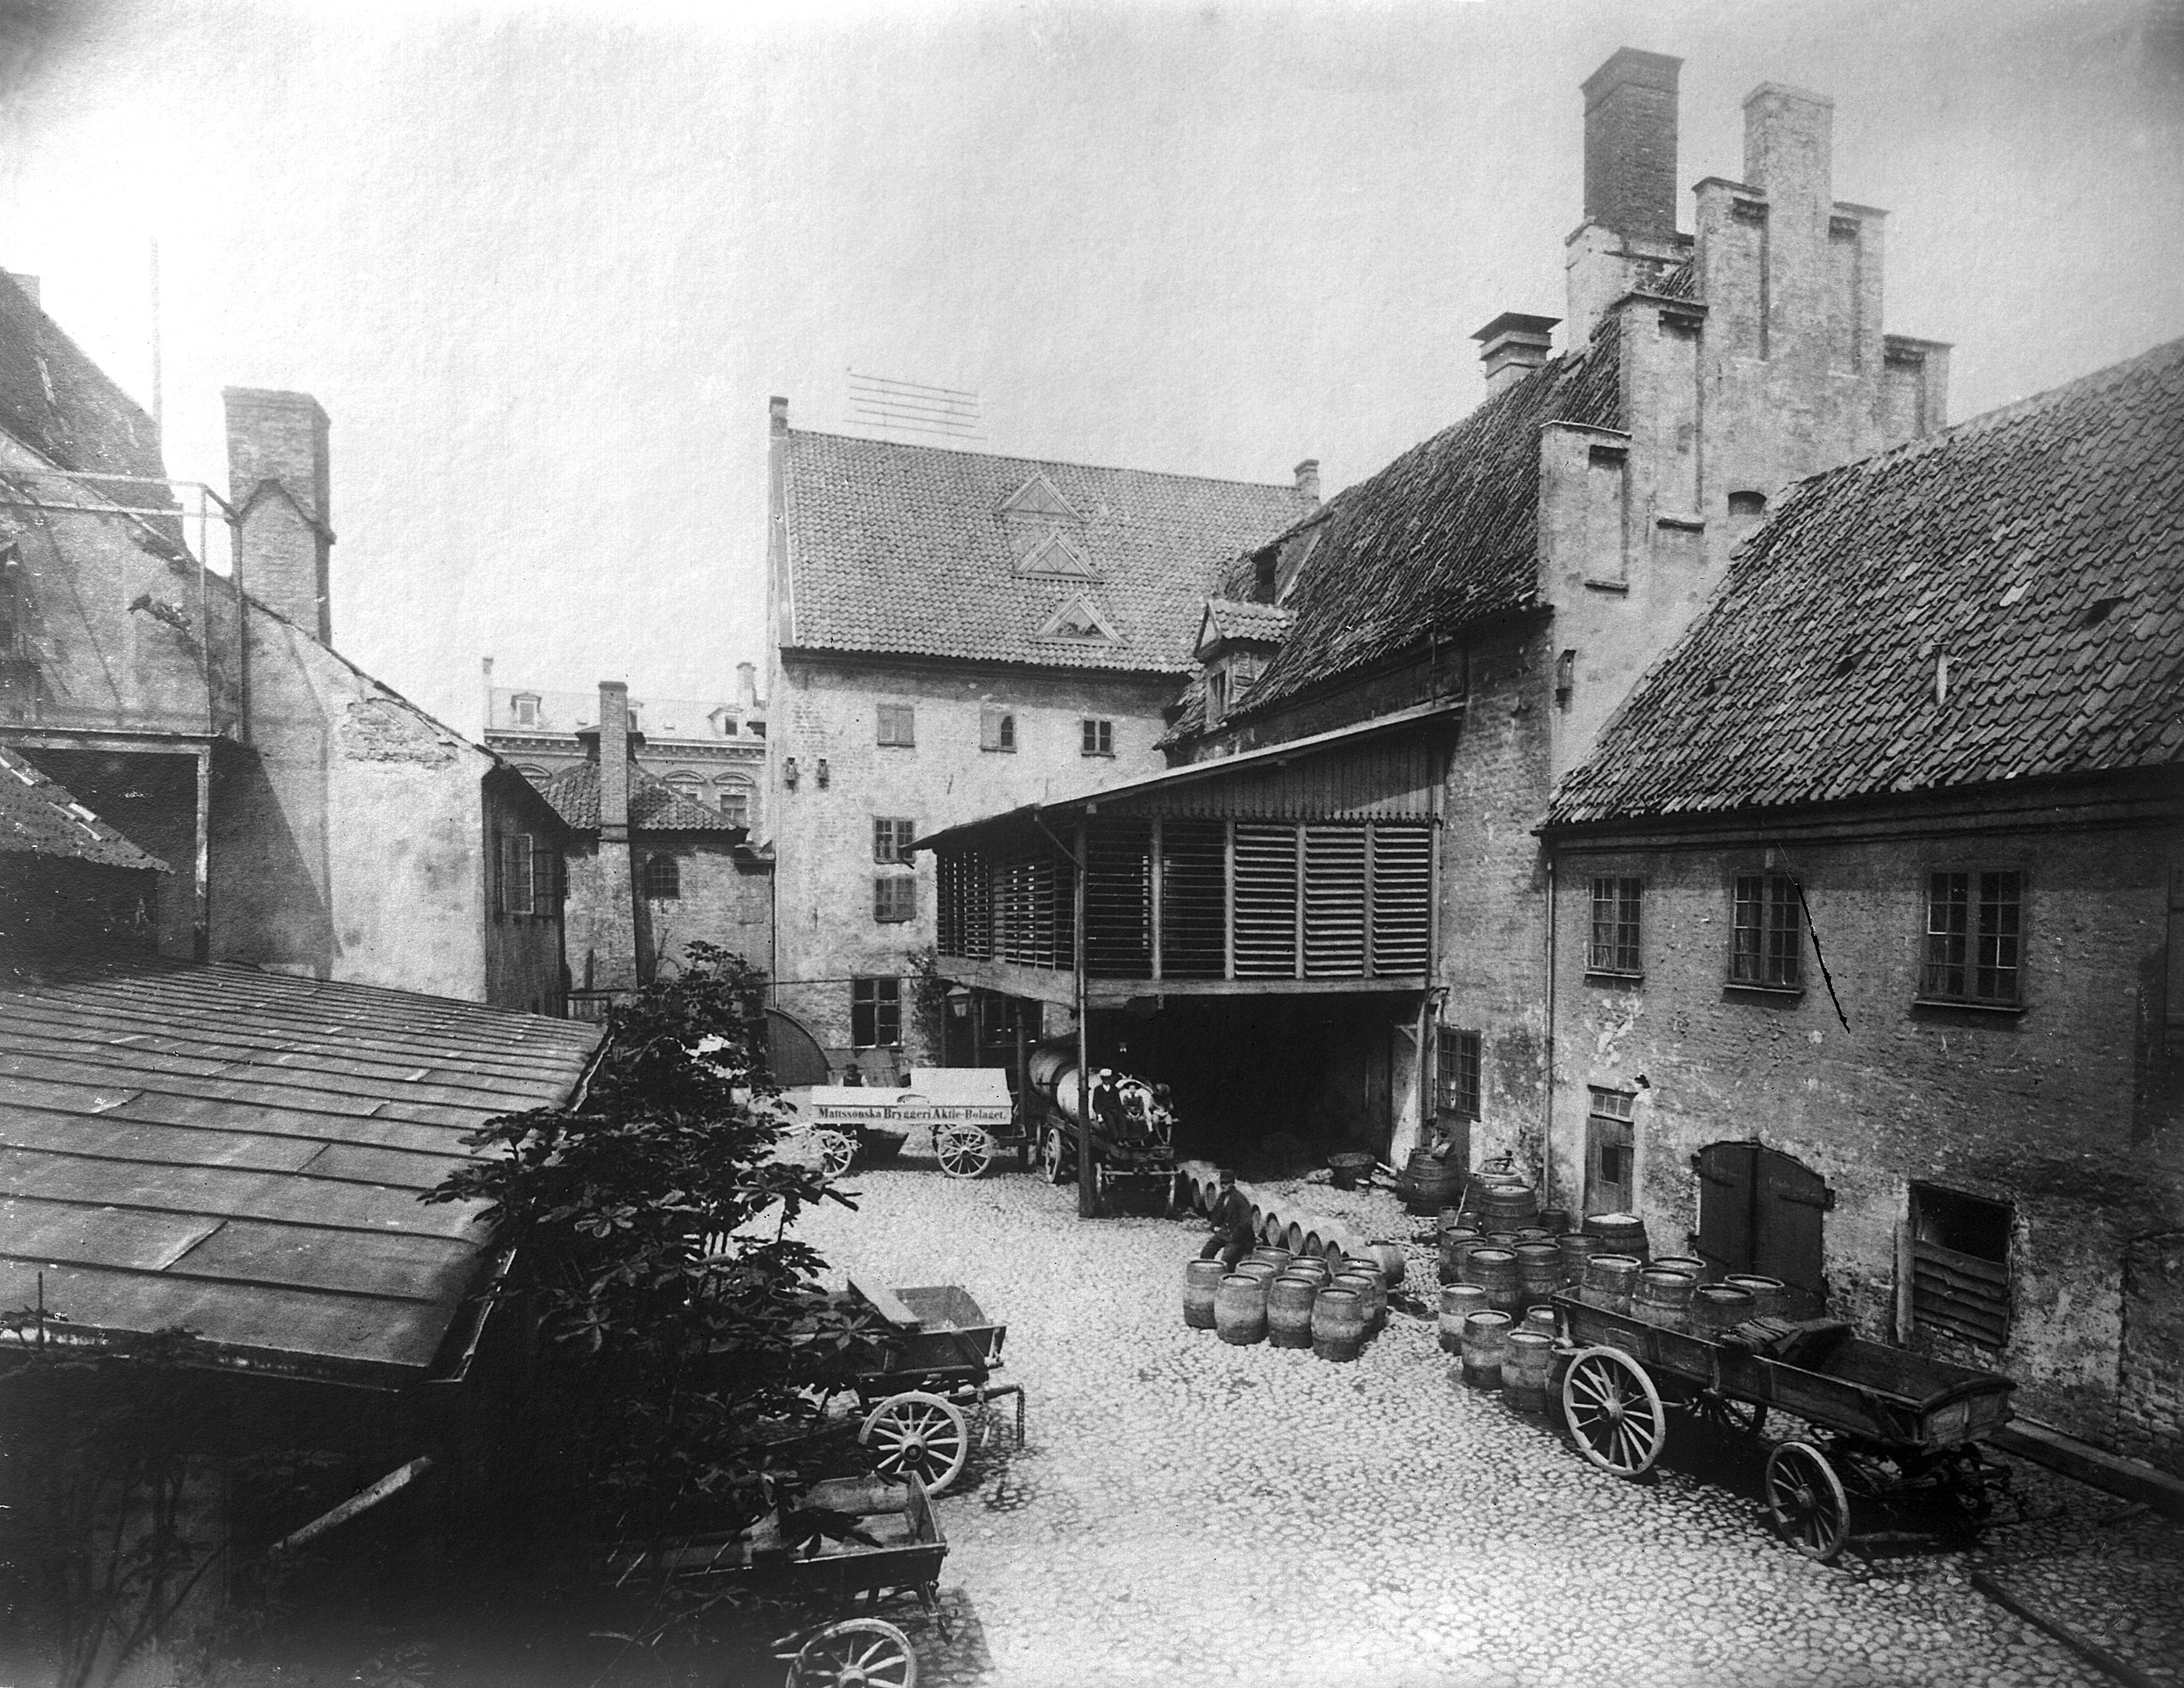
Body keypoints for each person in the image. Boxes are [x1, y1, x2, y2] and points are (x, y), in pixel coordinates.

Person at [1198, 1168, 1256, 1268]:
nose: (1224, 1186)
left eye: (1227, 1183)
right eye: (1222, 1183)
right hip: (1224, 1233)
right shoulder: (1222, 1197)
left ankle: (1226, 1274)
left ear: (1232, 1184)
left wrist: (1234, 1235)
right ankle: (1208, 1273)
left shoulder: (1240, 1199)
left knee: (1226, 1261)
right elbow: (1216, 1214)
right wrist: (1214, 1226)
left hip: (1238, 1237)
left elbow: (1246, 1222)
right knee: (1206, 1253)